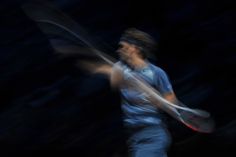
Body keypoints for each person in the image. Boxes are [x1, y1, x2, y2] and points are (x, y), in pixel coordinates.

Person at [86, 28, 179, 157]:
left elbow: (171, 101)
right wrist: (82, 58)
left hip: (152, 135)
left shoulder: (157, 73)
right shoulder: (121, 69)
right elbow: (106, 72)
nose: (118, 50)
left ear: (134, 48)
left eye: (122, 47)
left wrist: (156, 101)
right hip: (134, 137)